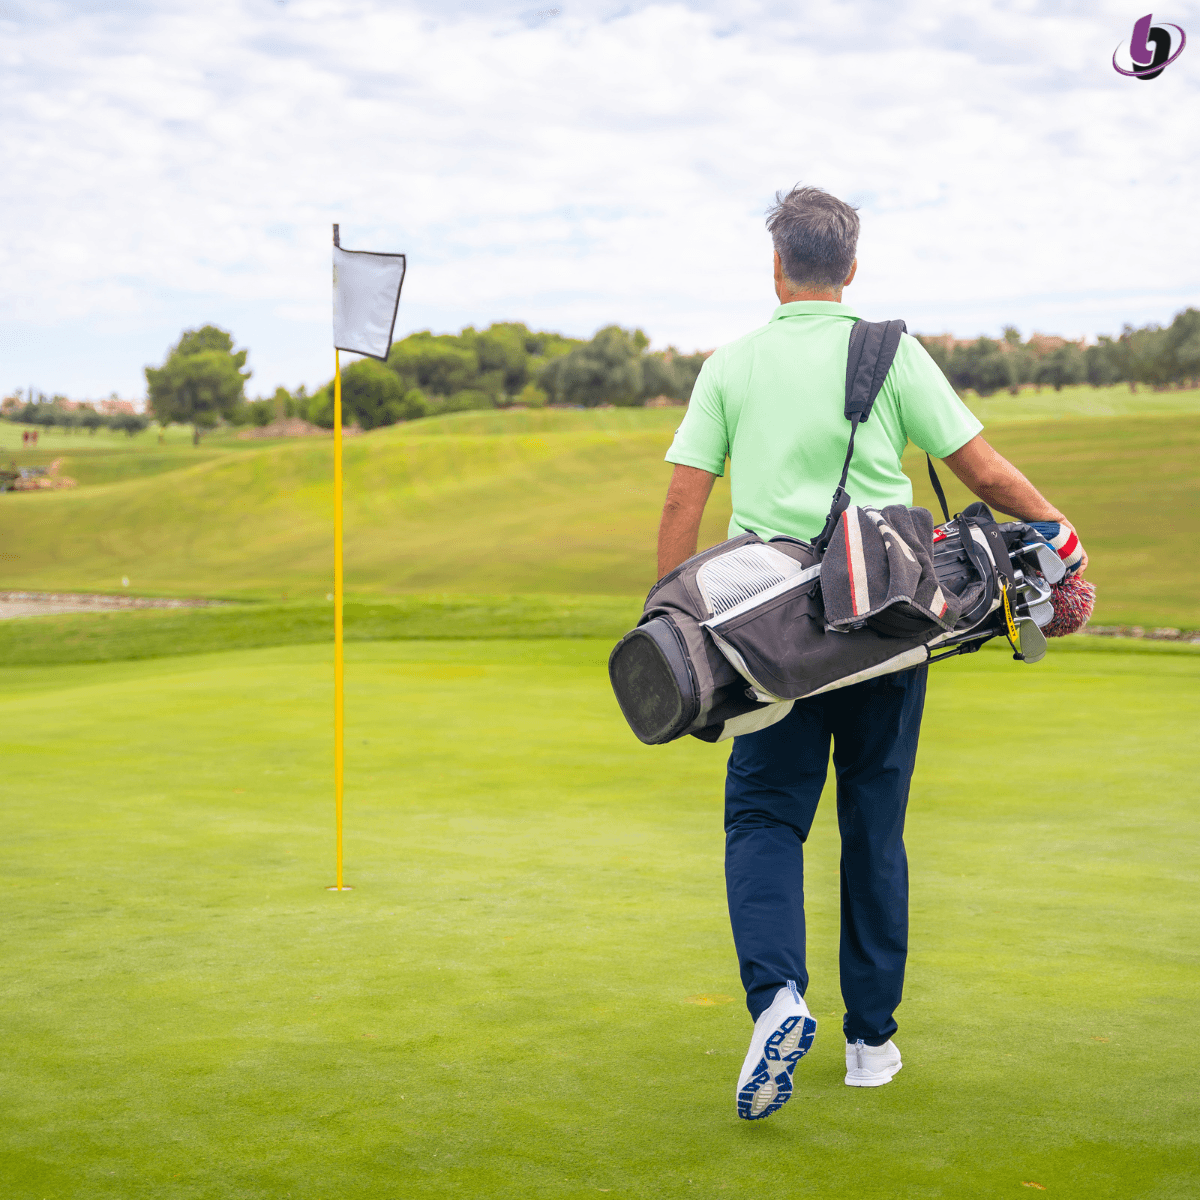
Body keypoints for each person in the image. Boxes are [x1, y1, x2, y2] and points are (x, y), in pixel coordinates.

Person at [657, 185, 1087, 1120]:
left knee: (765, 820)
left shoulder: (732, 365)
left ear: (776, 269)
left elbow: (683, 505)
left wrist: (672, 626)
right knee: (873, 827)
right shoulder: (893, 351)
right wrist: (1060, 531)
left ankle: (777, 998)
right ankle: (870, 1045)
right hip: (887, 630)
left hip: (766, 642)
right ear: (851, 268)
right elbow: (982, 471)